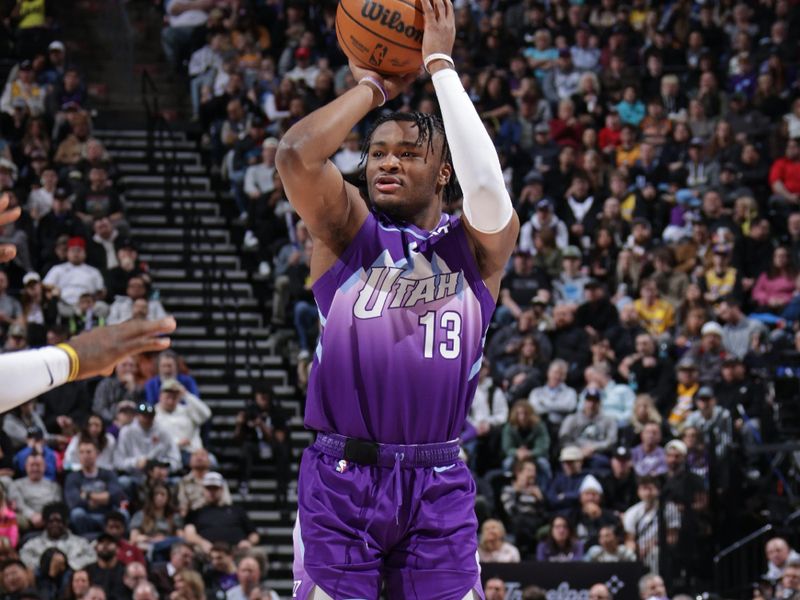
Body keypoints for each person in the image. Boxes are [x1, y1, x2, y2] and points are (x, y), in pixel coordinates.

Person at [276, 2, 518, 598]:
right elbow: (296, 156)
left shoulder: (478, 251)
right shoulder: (346, 232)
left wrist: (439, 64)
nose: (387, 160)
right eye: (378, 152)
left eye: (409, 153)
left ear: (442, 173)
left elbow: (486, 186)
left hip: (437, 477)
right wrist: (371, 89)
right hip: (341, 479)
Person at [182, 472, 259, 553]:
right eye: (209, 488)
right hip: (207, 552)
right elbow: (189, 534)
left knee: (257, 553)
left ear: (222, 489)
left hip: (237, 551)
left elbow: (254, 535)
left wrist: (248, 542)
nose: (212, 492)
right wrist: (202, 543)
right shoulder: (196, 512)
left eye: (215, 488)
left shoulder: (237, 510)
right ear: (203, 490)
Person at [64, 439, 127, 535]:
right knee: (76, 514)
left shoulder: (108, 474)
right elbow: (74, 502)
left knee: (123, 513)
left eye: (89, 452)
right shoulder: (72, 477)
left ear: (97, 454)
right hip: (86, 515)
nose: (85, 456)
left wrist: (87, 495)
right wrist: (104, 499)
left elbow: (115, 496)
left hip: (108, 514)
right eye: (81, 452)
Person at [19, 502, 96, 571]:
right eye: (51, 521)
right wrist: (46, 566)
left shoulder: (80, 542)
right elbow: (24, 557)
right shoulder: (32, 543)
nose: (54, 524)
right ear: (45, 523)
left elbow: (92, 557)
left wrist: (68, 565)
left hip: (71, 577)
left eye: (58, 521)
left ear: (65, 523)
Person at [7, 452, 61, 532]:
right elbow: (19, 504)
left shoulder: (54, 486)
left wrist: (44, 516)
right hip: (26, 520)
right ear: (26, 467)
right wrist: (32, 515)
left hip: (49, 520)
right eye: (32, 465)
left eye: (38, 465)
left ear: (44, 467)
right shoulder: (16, 485)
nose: (35, 468)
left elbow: (57, 505)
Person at [85, 533, 127, 599]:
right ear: (96, 548)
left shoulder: (125, 570)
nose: (105, 545)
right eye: (101, 542)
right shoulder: (88, 571)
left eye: (109, 542)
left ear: (117, 548)